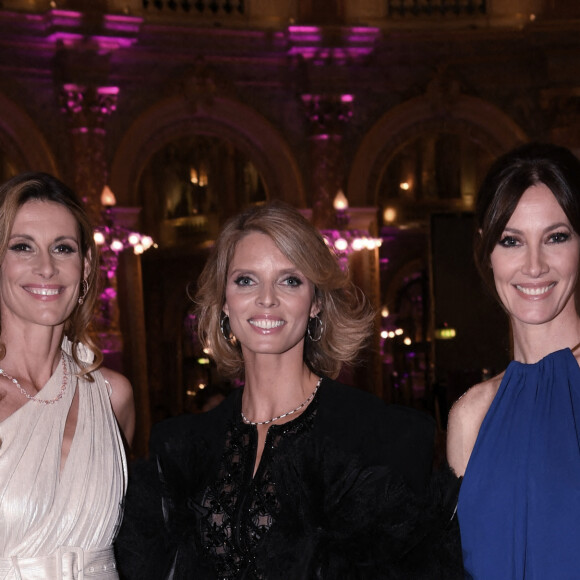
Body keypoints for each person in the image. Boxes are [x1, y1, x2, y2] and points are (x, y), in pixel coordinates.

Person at [116, 201, 462, 579]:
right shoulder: (178, 448)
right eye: (245, 280)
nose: (267, 298)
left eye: (290, 280)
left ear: (315, 302)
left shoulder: (386, 435)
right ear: (224, 303)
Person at [447, 142, 580, 578]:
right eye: (512, 241)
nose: (534, 265)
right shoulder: (470, 415)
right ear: (487, 252)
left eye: (556, 237)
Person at [0, 172, 135, 579]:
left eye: (63, 248)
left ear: (87, 267)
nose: (46, 267)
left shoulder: (112, 394)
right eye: (23, 247)